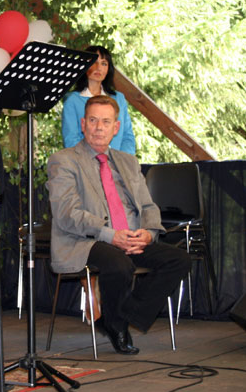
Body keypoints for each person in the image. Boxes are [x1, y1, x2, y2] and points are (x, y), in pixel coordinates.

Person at [47, 95, 190, 355]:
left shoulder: (128, 161)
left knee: (179, 259)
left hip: (130, 236)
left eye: (105, 121)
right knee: (118, 263)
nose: (98, 127)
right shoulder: (64, 160)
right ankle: (118, 323)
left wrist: (147, 233)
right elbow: (67, 214)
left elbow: (148, 207)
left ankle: (118, 317)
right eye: (93, 120)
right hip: (87, 239)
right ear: (82, 124)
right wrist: (110, 235)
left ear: (116, 127)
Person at [62, 45, 136, 154]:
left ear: (108, 69)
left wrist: (122, 162)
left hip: (118, 164)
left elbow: (128, 137)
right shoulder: (72, 100)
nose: (99, 67)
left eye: (104, 63)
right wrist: (97, 162)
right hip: (86, 165)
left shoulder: (119, 98)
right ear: (84, 65)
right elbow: (71, 140)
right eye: (94, 62)